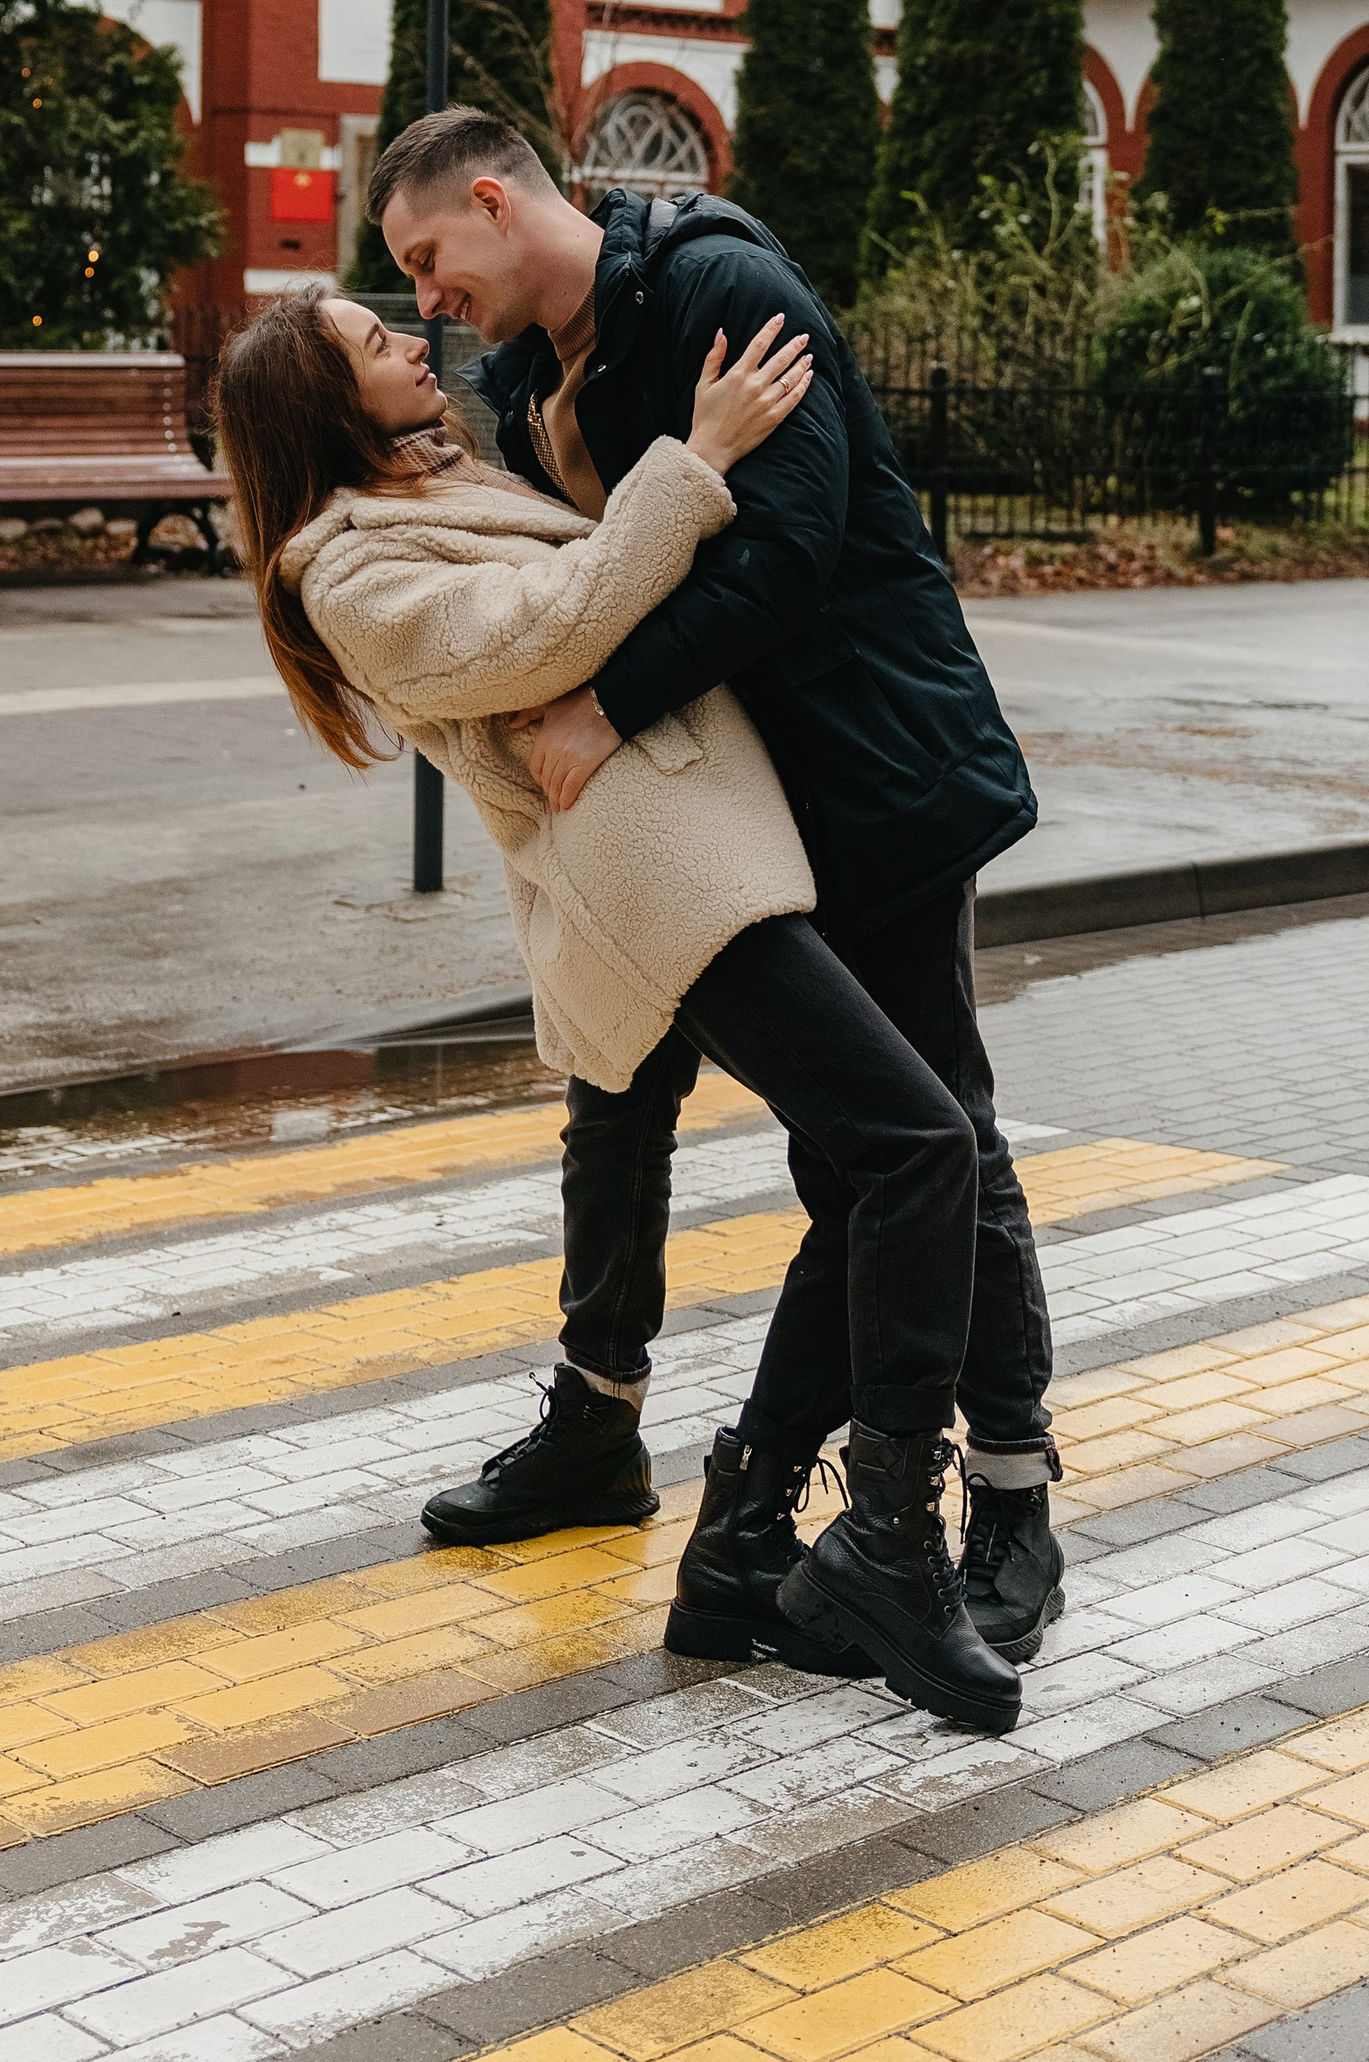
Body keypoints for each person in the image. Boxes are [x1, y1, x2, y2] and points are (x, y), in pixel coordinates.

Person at [212, 281, 1022, 1736]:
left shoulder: (459, 478)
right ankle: (885, 1543)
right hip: (658, 877)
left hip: (725, 844)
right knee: (917, 1149)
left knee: (872, 1175)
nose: (411, 340)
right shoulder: (340, 574)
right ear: (325, 407)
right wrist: (693, 455)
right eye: (371, 342)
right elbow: (552, 627)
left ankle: (740, 1552)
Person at [374, 106, 1066, 1665]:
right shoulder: (538, 378)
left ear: (493, 201)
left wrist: (611, 706)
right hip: (749, 802)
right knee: (812, 1133)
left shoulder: (712, 287)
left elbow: (795, 545)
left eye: (429, 257)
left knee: (941, 1131)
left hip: (877, 769)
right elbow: (599, 568)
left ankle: (1010, 1504)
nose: (427, 297)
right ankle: (708, 1488)